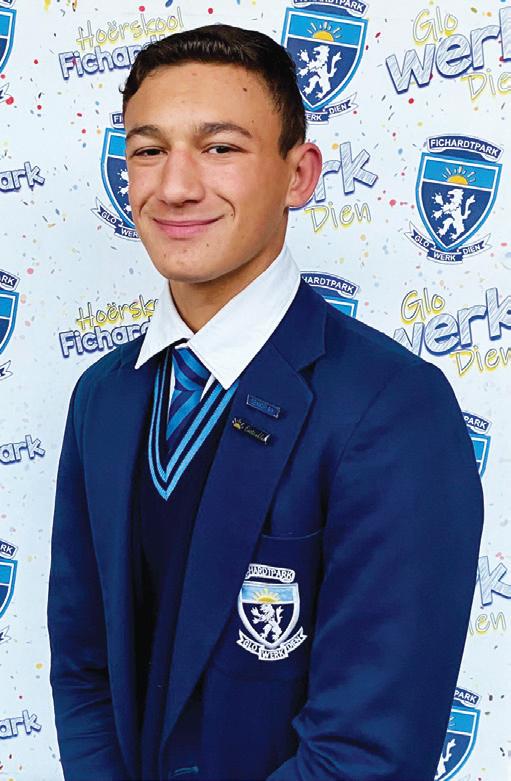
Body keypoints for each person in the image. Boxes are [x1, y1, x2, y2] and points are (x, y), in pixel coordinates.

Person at [47, 24, 483, 781]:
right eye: (148, 150)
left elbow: (367, 753)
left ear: (298, 175)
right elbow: (85, 670)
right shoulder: (103, 397)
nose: (174, 186)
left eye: (220, 147)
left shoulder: (393, 409)